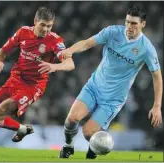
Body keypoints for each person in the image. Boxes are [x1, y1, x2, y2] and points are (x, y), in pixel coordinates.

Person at [0, 6, 75, 155]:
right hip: (14, 79)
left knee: (2, 110)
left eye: (49, 26)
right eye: (43, 24)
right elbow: (3, 51)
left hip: (33, 86)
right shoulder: (23, 32)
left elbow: (70, 64)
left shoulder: (55, 41)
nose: (46, 29)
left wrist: (54, 66)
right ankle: (22, 129)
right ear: (35, 21)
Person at [58, 6, 163, 159]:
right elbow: (87, 43)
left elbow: (157, 77)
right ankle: (68, 146)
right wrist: (71, 50)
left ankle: (94, 149)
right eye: (127, 22)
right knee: (72, 119)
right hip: (94, 87)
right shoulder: (112, 32)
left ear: (143, 24)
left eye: (134, 23)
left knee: (88, 133)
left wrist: (157, 106)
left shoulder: (147, 49)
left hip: (113, 99)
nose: (129, 26)